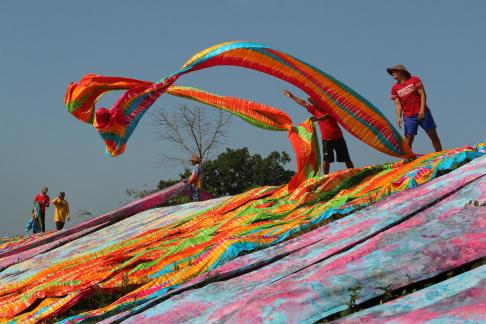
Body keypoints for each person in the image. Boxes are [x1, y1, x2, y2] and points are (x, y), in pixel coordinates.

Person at [284, 89, 354, 174]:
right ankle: (325, 176)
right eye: (314, 103)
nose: (314, 104)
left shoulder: (329, 109)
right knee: (326, 159)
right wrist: (292, 96)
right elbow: (304, 103)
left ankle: (353, 172)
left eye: (315, 103)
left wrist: (317, 119)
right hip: (326, 139)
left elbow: (328, 116)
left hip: (338, 137)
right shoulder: (315, 110)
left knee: (346, 158)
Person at [387, 64, 443, 152]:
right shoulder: (394, 88)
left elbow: (422, 94)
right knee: (408, 138)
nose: (392, 74)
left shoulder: (414, 79)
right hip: (409, 116)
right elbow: (398, 104)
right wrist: (399, 117)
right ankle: (407, 159)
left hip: (423, 112)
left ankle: (440, 154)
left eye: (393, 72)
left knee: (432, 135)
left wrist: (422, 110)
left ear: (400, 71)